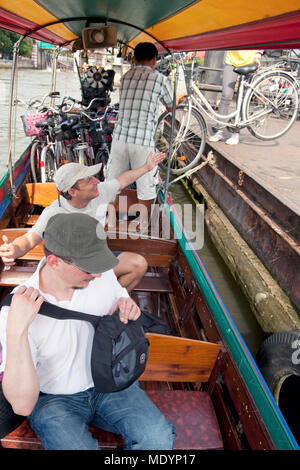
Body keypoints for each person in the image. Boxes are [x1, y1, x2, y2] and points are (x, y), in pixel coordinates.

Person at [0, 213, 175, 450]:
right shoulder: (15, 310)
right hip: (54, 399)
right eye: (89, 267)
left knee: (157, 440)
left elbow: (120, 299)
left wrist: (126, 307)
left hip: (109, 384)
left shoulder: (98, 278)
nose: (99, 274)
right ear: (54, 262)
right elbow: (22, 405)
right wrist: (16, 331)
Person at [0, 152, 164, 292]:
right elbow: (29, 239)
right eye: (88, 181)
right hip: (70, 270)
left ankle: (110, 301)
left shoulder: (99, 192)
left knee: (138, 265)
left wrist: (146, 167)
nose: (97, 181)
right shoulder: (54, 213)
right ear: (72, 191)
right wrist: (14, 249)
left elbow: (122, 180)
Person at [107, 42, 186, 228]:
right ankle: (142, 227)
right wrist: (180, 98)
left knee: (112, 184)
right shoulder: (159, 79)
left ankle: (109, 222)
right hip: (142, 141)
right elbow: (170, 106)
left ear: (134, 59)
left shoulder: (126, 77)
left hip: (120, 139)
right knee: (146, 187)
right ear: (154, 59)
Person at [209, 50, 263, 145]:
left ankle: (236, 133)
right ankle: (219, 130)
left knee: (242, 99)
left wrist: (258, 54)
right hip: (231, 61)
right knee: (226, 95)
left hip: (250, 61)